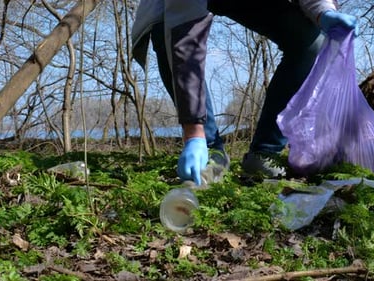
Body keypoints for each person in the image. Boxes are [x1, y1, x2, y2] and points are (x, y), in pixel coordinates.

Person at [131, 0, 357, 186]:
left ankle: (265, 153)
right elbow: (184, 41)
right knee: (168, 40)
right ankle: (210, 152)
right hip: (175, 9)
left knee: (311, 41)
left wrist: (323, 11)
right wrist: (194, 133)